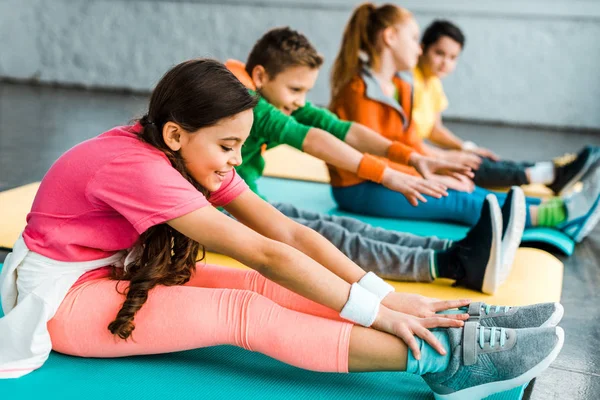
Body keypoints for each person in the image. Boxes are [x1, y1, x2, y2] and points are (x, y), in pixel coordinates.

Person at [0, 59, 564, 400]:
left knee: (257, 289)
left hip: (104, 270)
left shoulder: (185, 150)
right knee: (245, 313)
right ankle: (444, 360)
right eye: (227, 146)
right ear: (176, 134)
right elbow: (263, 253)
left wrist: (391, 301)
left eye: (240, 144)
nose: (234, 159)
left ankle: (440, 319)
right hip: (64, 300)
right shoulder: (141, 168)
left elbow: (287, 235)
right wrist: (375, 314)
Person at [225, 27, 527, 293]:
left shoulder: (274, 99)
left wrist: (409, 157)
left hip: (242, 199)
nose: (301, 101)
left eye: (305, 91)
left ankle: (460, 250)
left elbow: (342, 130)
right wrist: (385, 174)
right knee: (329, 237)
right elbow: (311, 139)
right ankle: (452, 265)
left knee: (337, 225)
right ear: (262, 76)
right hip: (221, 213)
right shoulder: (249, 105)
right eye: (295, 90)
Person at [328, 2, 600, 244]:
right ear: (389, 37)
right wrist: (428, 176)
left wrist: (439, 168)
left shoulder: (401, 85)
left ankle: (558, 206)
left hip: (392, 176)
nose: (419, 46)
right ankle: (559, 217)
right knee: (456, 198)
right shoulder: (358, 92)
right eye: (413, 38)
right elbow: (370, 158)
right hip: (359, 186)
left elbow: (409, 142)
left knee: (472, 189)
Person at [412, 19, 599, 193]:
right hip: (412, 155)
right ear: (422, 49)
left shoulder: (433, 83)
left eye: (453, 57)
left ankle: (550, 171)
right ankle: (549, 174)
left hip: (420, 150)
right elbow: (402, 139)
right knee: (469, 166)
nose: (446, 62)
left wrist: (467, 147)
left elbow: (434, 129)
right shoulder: (410, 82)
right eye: (439, 53)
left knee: (479, 158)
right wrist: (443, 157)